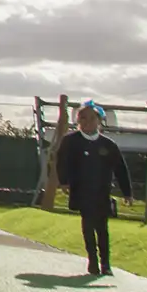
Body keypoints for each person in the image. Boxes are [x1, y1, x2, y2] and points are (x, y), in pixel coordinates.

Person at [58, 102, 132, 276]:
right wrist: (64, 181)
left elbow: (120, 169)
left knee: (102, 227)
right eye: (83, 118)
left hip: (101, 192)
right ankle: (93, 260)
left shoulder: (108, 145)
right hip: (81, 191)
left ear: (99, 120)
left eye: (92, 118)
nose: (87, 122)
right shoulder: (71, 141)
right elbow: (62, 162)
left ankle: (106, 263)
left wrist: (127, 192)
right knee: (88, 224)